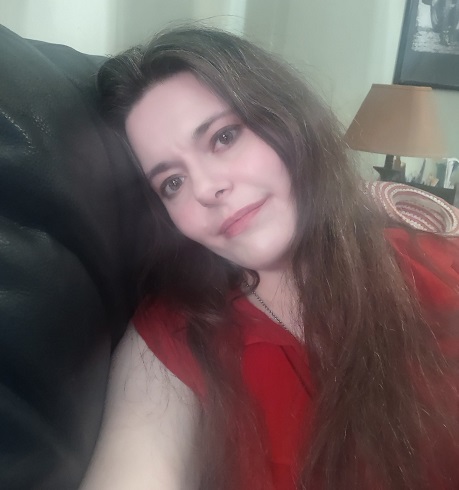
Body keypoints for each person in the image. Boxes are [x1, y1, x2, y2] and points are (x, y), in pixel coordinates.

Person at [83, 25, 459, 490]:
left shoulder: (441, 267)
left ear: (287, 120)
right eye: (172, 183)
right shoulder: (172, 339)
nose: (206, 188)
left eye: (223, 137)